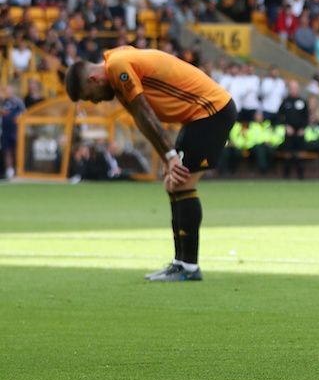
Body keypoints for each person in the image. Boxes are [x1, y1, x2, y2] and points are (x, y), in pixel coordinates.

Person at [63, 46, 237, 281]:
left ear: (93, 79)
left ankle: (189, 267)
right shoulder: (116, 71)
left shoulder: (118, 66)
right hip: (197, 117)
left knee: (182, 184)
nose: (94, 101)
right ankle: (180, 264)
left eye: (89, 95)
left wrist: (171, 156)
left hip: (212, 112)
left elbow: (145, 112)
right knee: (172, 183)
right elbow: (142, 120)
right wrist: (167, 157)